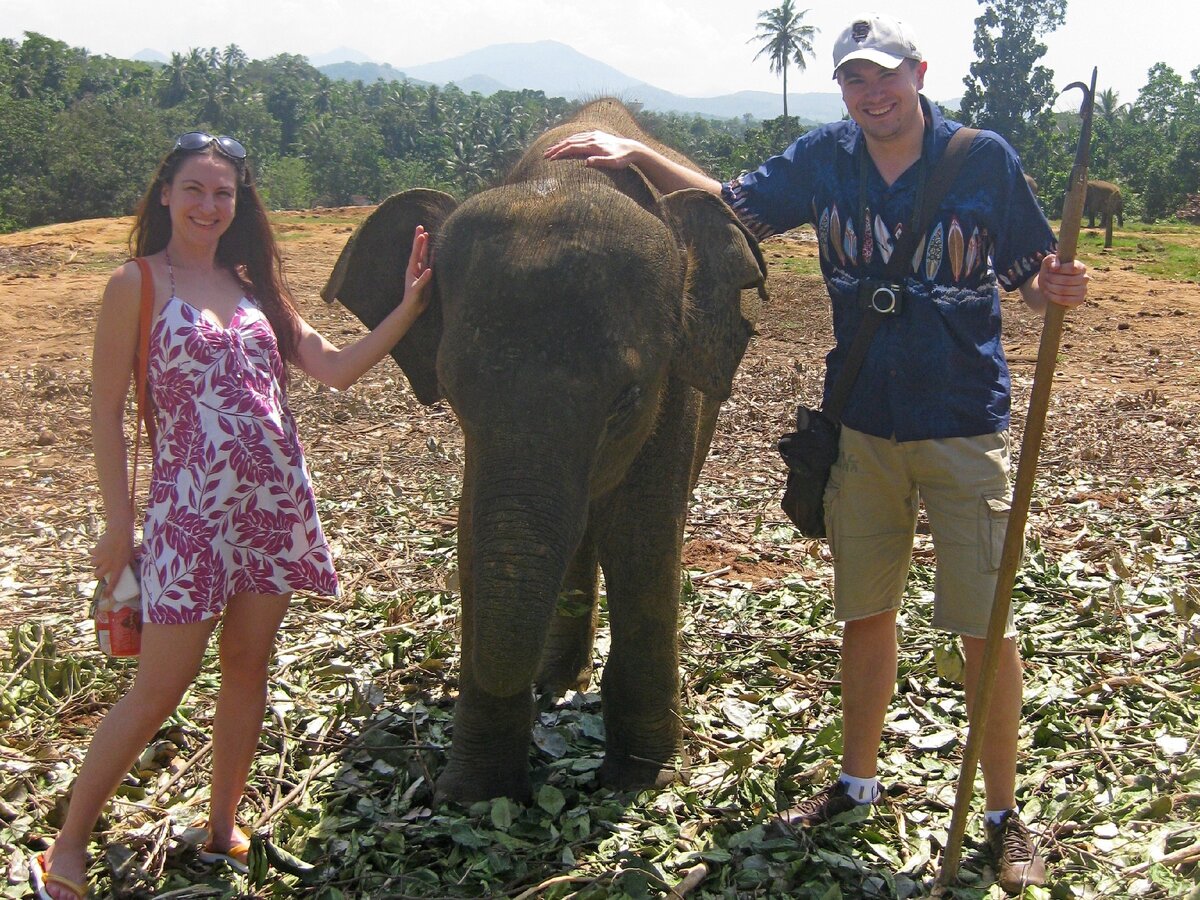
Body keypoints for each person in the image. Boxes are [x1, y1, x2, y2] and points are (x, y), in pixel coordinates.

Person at [544, 13, 1088, 895]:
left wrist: (1060, 286)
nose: (872, 94)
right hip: (863, 426)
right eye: (855, 81)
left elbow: (1032, 279)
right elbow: (730, 205)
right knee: (864, 613)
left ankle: (1001, 814)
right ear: (843, 89)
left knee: (986, 627)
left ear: (919, 72)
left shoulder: (982, 159)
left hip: (964, 426)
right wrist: (633, 154)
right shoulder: (825, 158)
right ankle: (856, 783)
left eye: (886, 76)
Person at [30, 132, 432, 900]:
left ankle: (222, 824)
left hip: (271, 507)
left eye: (224, 193)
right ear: (165, 195)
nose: (209, 205)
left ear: (238, 203)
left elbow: (336, 369)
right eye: (194, 189)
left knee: (248, 669)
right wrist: (118, 527)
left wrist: (409, 307)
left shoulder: (254, 286)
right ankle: (69, 846)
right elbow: (107, 411)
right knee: (158, 690)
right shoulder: (136, 284)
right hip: (189, 517)